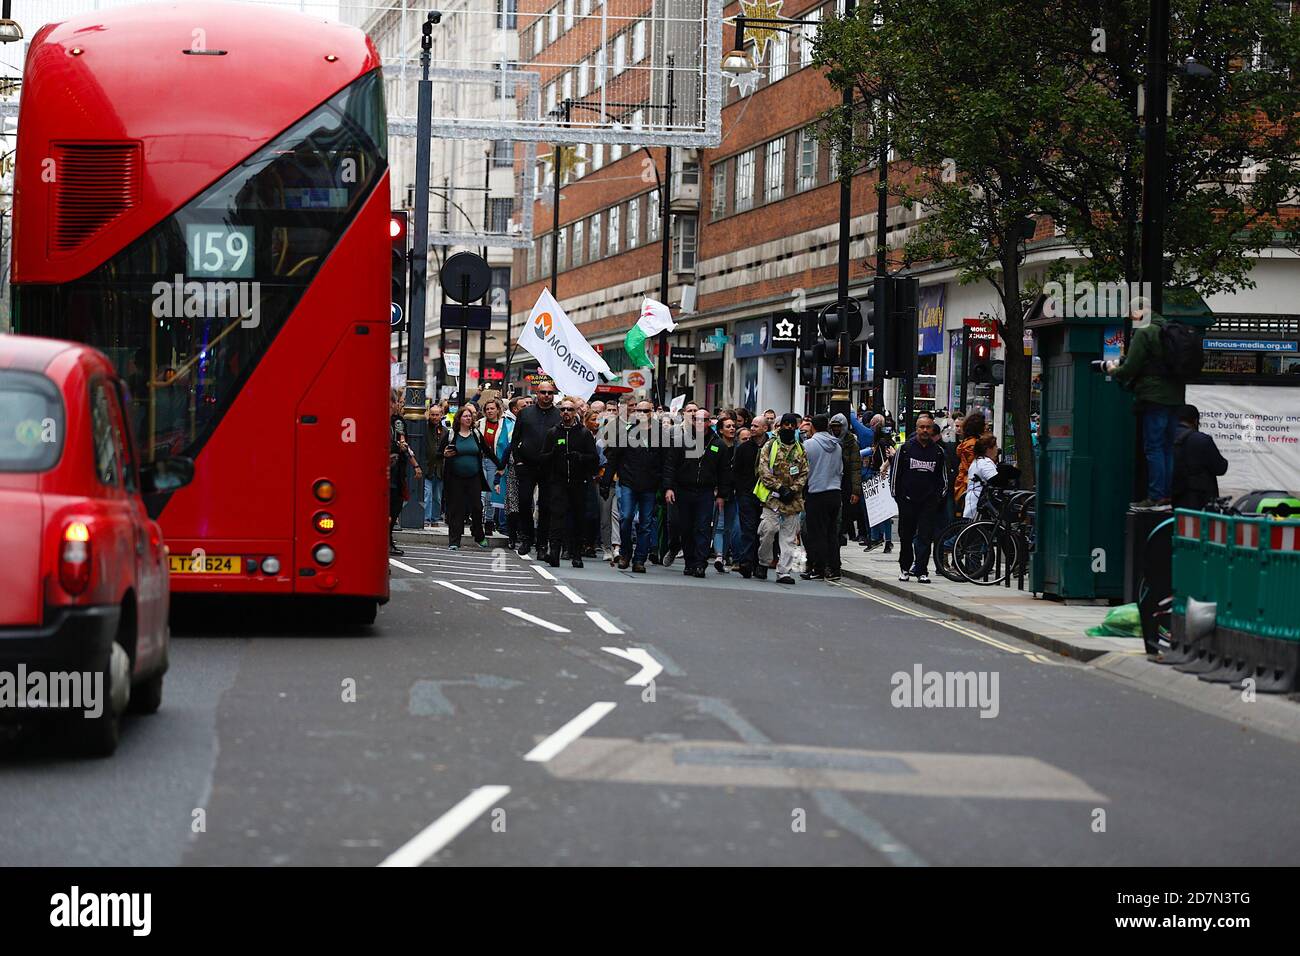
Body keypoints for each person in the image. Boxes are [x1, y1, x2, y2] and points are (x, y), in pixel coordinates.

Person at [1105, 308, 1187, 510]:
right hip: (1176, 397)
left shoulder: (1145, 332)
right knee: (1167, 447)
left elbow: (1131, 367)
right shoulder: (1169, 330)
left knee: (1154, 447)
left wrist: (1114, 370)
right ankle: (1166, 496)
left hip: (1154, 397)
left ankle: (1156, 496)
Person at [665, 408, 732, 578]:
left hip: (705, 492)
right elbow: (670, 466)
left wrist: (722, 495)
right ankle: (689, 562)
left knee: (702, 528)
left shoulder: (719, 445)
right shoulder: (680, 441)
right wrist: (669, 488)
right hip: (684, 490)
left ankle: (700, 564)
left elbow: (724, 472)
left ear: (710, 422)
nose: (700, 423)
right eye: (697, 419)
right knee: (686, 528)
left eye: (705, 420)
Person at [602, 399, 666, 573]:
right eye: (639, 411)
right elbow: (613, 458)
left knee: (645, 524)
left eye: (646, 411)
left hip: (650, 486)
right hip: (628, 483)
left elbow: (666, 462)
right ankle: (625, 553)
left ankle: (639, 560)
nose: (642, 414)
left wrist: (665, 485)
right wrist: (606, 481)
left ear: (651, 412)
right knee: (626, 518)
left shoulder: (661, 434)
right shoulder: (626, 432)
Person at [539, 397, 600, 568]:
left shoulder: (583, 433)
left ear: (575, 413)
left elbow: (594, 459)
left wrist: (579, 457)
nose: (566, 412)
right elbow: (542, 458)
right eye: (563, 409)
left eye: (570, 410)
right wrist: (553, 454)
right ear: (560, 412)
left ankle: (577, 554)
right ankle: (555, 553)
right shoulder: (553, 433)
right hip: (558, 482)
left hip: (578, 482)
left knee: (578, 519)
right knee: (556, 518)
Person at [506, 378, 561, 558]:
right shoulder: (526, 413)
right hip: (527, 466)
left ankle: (541, 544)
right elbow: (515, 440)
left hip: (549, 467)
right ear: (537, 394)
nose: (546, 396)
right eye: (543, 392)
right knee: (524, 502)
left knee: (545, 506)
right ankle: (526, 539)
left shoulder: (559, 415)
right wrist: (519, 460)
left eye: (550, 393)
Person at [892, 413, 948, 584]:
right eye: (921, 427)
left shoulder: (938, 452)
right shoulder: (905, 449)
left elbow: (943, 479)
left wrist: (937, 497)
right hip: (907, 501)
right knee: (906, 537)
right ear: (916, 429)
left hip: (928, 502)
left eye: (928, 427)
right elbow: (895, 476)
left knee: (925, 537)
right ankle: (905, 568)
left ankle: (922, 571)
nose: (924, 430)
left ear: (932, 429)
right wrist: (898, 497)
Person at [437, 404, 498, 550]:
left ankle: (478, 535)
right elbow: (439, 453)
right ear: (459, 419)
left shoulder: (476, 434)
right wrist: (444, 454)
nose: (468, 418)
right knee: (456, 509)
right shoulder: (451, 435)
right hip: (455, 478)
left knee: (477, 507)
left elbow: (487, 451)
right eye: (465, 416)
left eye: (470, 416)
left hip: (474, 477)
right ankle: (454, 541)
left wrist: (500, 465)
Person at [756, 413, 808, 585]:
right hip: (772, 498)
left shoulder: (801, 449)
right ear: (779, 426)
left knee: (789, 538)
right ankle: (763, 562)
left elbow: (804, 473)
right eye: (785, 424)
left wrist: (792, 490)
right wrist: (780, 488)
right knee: (768, 530)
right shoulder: (769, 446)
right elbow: (763, 471)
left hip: (792, 501)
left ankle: (784, 572)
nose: (789, 428)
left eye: (792, 425)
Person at [802, 414, 844, 582]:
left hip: (816, 492)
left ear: (812, 426)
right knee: (832, 533)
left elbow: (803, 469)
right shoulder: (837, 446)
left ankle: (818, 569)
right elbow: (840, 470)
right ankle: (834, 569)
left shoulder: (809, 445)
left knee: (816, 533)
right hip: (834, 493)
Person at [1172, 404, 1228, 511]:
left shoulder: (1165, 440)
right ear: (1196, 420)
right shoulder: (1202, 440)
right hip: (1201, 503)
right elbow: (1221, 468)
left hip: (1175, 499)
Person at [733, 416, 768, 578]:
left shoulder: (773, 446)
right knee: (748, 529)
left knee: (766, 531)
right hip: (747, 494)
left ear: (765, 429)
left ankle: (761, 564)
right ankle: (746, 562)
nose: (752, 428)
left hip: (768, 495)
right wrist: (740, 490)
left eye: (756, 426)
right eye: (751, 425)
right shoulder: (743, 448)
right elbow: (736, 471)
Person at [389, 389, 422, 556]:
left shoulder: (398, 422)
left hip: (396, 470)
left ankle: (388, 540)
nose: (399, 405)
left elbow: (404, 443)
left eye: (399, 402)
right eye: (398, 402)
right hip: (383, 470)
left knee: (395, 506)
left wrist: (415, 465)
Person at [477, 397, 512, 536]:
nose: (490, 411)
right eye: (487, 409)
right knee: (480, 493)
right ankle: (478, 521)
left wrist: (502, 465)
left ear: (498, 409)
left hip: (495, 463)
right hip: (479, 461)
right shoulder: (479, 424)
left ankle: (489, 522)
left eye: (492, 408)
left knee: (491, 494)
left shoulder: (506, 424)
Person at [711, 414, 741, 572]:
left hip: (734, 491)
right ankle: (719, 556)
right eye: (728, 426)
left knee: (731, 526)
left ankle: (725, 555)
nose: (732, 429)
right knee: (720, 524)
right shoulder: (715, 445)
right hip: (717, 490)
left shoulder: (739, 447)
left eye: (733, 426)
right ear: (721, 430)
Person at [830, 413, 863, 547]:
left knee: (846, 510)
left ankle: (843, 533)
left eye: (839, 427)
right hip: (832, 480)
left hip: (846, 480)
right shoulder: (829, 440)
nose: (836, 430)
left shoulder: (851, 443)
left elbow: (855, 467)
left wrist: (856, 490)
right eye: (834, 427)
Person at [862, 424, 896, 553]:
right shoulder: (890, 443)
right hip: (888, 478)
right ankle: (887, 541)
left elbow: (883, 460)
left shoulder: (880, 443)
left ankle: (875, 537)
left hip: (880, 477)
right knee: (886, 512)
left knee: (875, 509)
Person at [952, 411, 986, 512]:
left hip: (964, 481)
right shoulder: (973, 445)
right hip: (968, 483)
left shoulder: (968, 443)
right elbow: (973, 465)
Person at [963, 434, 1000, 519]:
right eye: (995, 446)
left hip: (973, 501)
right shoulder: (985, 462)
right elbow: (995, 480)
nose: (997, 449)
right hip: (979, 502)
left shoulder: (977, 461)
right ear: (988, 449)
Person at [423, 405, 448, 529]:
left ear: (441, 415)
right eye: (432, 414)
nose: (434, 417)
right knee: (427, 494)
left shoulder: (445, 431)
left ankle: (434, 518)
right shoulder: (424, 428)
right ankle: (426, 518)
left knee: (437, 496)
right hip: (427, 467)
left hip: (440, 468)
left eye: (437, 414)